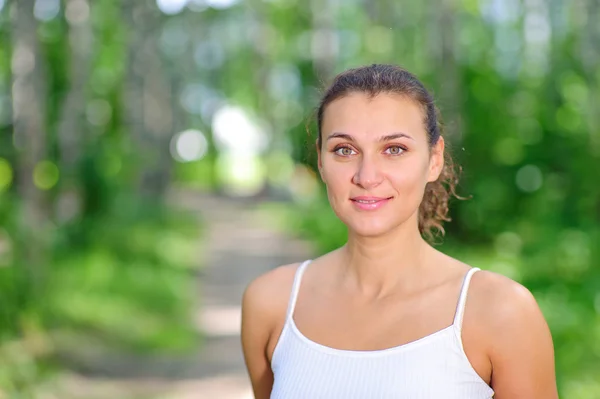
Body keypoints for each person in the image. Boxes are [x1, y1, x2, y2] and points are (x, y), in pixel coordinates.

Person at [241, 64, 558, 398]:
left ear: (434, 160)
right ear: (320, 160)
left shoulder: (501, 311)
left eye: (394, 149)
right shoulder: (271, 303)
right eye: (344, 150)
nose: (367, 176)